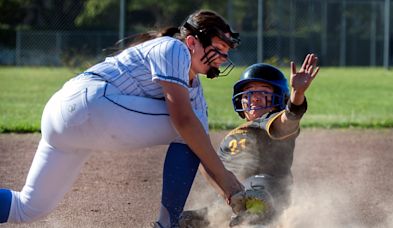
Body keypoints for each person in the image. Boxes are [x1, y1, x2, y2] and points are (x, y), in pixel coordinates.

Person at [0, 10, 244, 228]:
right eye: (218, 48)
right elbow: (184, 123)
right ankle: (168, 225)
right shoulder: (174, 48)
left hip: (62, 114)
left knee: (28, 208)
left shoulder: (195, 92)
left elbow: (199, 147)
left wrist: (231, 192)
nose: (222, 57)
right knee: (191, 128)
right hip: (89, 103)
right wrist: (227, 180)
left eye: (226, 52)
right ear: (191, 41)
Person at [179, 54, 319, 227]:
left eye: (263, 92)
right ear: (240, 100)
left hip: (269, 191)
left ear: (279, 99)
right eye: (249, 92)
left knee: (257, 191)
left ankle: (255, 219)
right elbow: (212, 170)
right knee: (186, 219)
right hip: (234, 197)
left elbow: (288, 122)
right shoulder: (230, 138)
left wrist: (297, 95)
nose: (255, 97)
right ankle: (227, 217)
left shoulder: (271, 120)